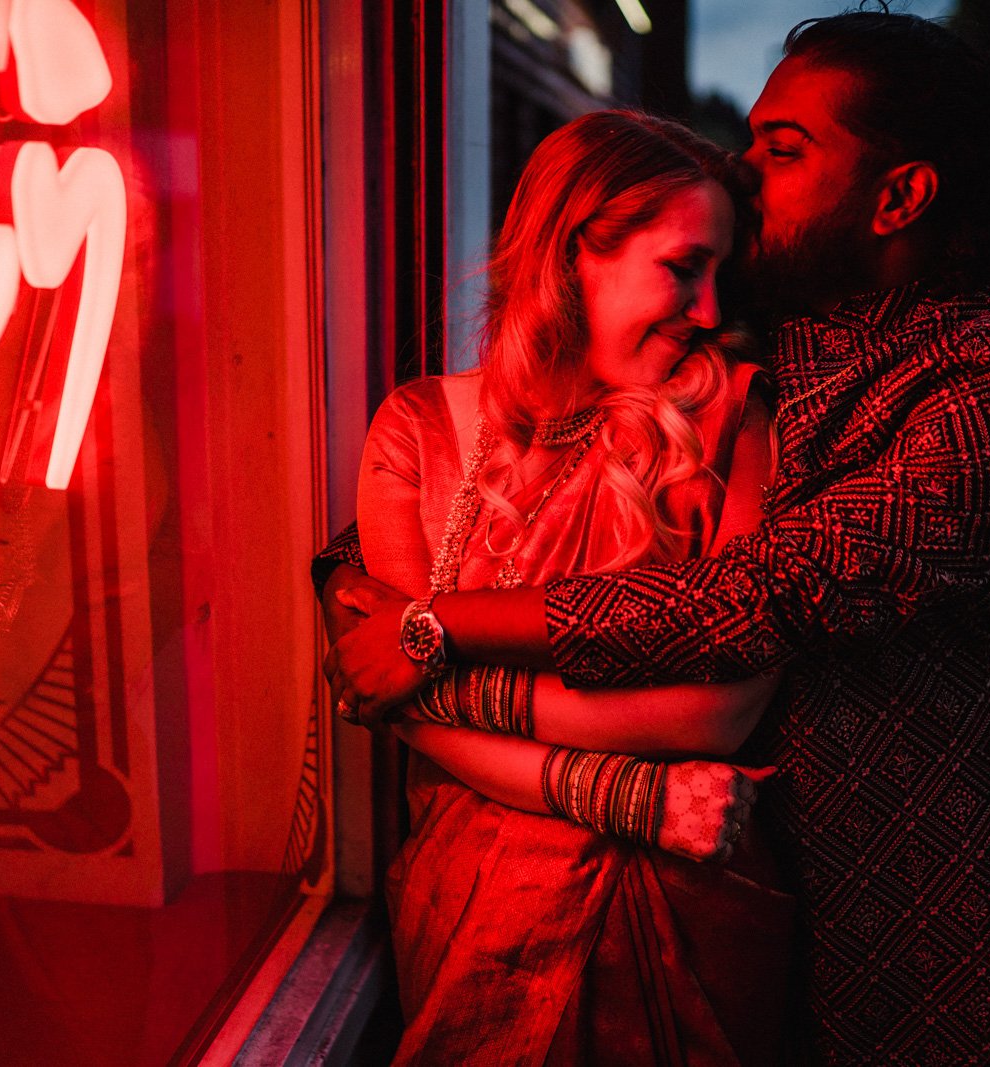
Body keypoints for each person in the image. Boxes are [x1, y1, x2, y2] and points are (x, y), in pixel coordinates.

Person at [318, 9, 990, 1063]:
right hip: (770, 883)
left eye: (782, 150)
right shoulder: (791, 321)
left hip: (938, 896)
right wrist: (346, 569)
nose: (747, 169)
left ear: (899, 196)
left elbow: (762, 594)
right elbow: (528, 425)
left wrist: (431, 629)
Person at [347, 109, 791, 1065]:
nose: (709, 311)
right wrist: (625, 792)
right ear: (569, 251)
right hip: (474, 905)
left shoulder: (723, 414)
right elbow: (390, 694)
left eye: (721, 274)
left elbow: (720, 710)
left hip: (677, 914)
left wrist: (440, 653)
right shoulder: (418, 431)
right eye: (683, 266)